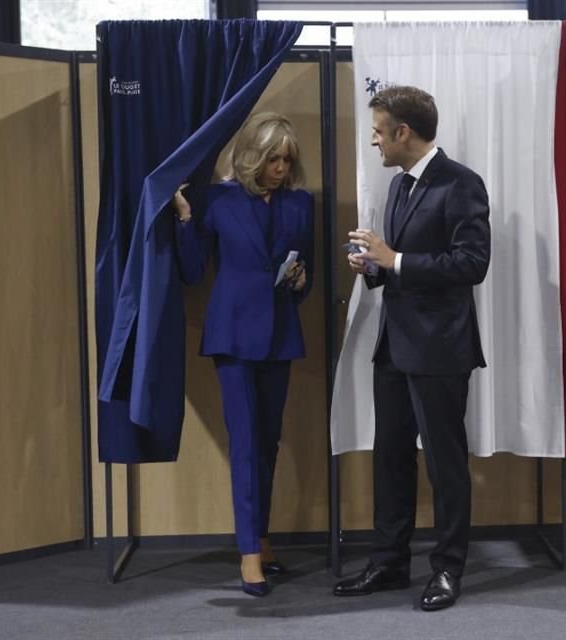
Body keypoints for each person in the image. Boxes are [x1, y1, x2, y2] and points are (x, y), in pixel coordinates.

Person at [333, 86, 491, 611]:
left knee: (445, 465)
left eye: (379, 132)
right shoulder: (399, 186)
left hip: (441, 350)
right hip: (394, 347)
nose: (374, 142)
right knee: (392, 459)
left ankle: (448, 570)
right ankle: (389, 563)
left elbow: (472, 265)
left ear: (404, 132)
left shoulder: (462, 184)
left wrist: (394, 258)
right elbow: (400, 263)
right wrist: (375, 266)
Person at [172, 112, 314, 597]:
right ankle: (248, 553)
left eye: (287, 159)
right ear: (253, 156)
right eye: (273, 158)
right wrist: (187, 220)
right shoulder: (219, 199)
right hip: (232, 334)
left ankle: (263, 539)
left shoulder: (300, 203)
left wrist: (300, 281)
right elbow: (193, 272)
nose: (280, 167)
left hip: (279, 333)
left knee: (268, 440)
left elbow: (305, 275)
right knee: (246, 442)